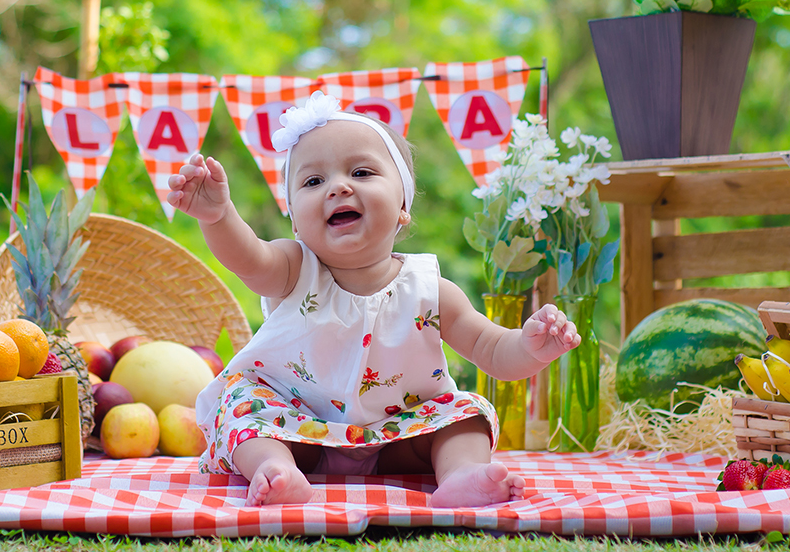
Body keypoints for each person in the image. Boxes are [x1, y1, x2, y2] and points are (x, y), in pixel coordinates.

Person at [166, 91, 580, 507]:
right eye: (313, 181)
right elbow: (248, 258)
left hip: (396, 437)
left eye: (362, 173)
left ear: (403, 205)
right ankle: (276, 471)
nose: (338, 187)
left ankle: (462, 474)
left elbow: (492, 349)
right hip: (295, 430)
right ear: (293, 218)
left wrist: (530, 347)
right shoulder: (294, 268)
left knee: (466, 412)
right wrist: (219, 217)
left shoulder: (430, 291)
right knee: (242, 403)